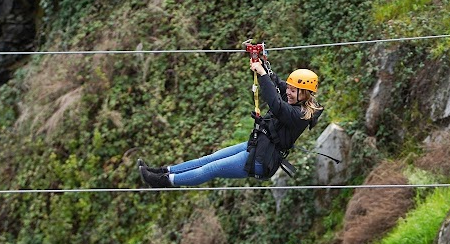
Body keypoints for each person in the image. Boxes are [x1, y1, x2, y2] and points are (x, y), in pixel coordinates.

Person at [138, 58, 323, 187]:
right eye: (289, 89)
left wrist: (262, 74)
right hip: (257, 145)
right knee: (208, 159)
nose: (288, 93)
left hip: (261, 159)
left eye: (293, 91)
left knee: (212, 168)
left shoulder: (300, 115)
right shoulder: (296, 99)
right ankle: (161, 172)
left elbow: (276, 104)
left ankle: (165, 181)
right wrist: (262, 65)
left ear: (304, 94)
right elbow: (277, 83)